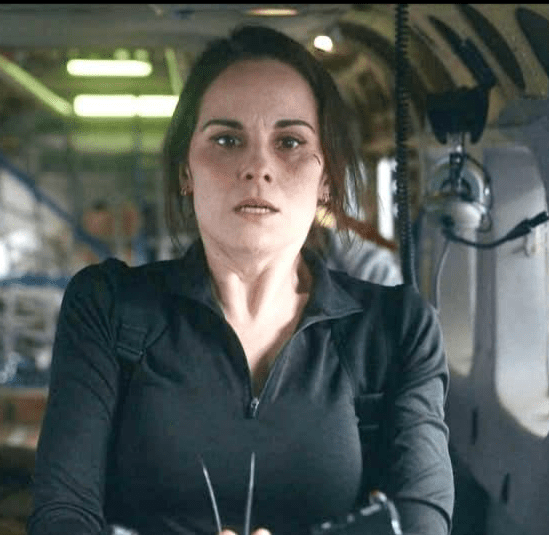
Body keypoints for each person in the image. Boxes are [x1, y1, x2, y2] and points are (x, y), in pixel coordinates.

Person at [28, 24, 454, 535]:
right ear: (186, 170)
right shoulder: (108, 307)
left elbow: (422, 521)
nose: (257, 167)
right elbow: (62, 516)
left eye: (290, 141)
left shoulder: (398, 328)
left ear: (326, 178)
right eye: (227, 140)